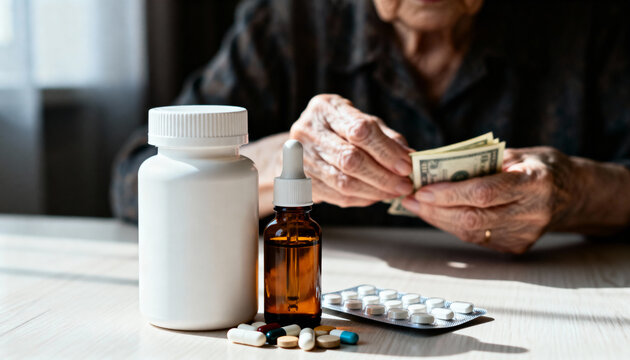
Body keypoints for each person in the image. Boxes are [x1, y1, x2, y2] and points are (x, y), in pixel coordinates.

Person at [112, 0, 630, 254]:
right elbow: (137, 182)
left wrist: (576, 192)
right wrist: (287, 162)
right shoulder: (289, 21)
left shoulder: (587, 22)